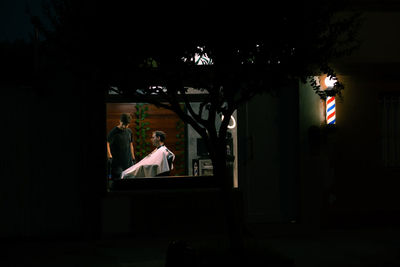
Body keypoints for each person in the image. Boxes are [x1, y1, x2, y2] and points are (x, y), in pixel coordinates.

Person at [107, 113, 136, 179]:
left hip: (128, 162)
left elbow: (131, 144)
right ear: (120, 121)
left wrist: (133, 157)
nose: (124, 126)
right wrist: (110, 156)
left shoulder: (129, 131)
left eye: (126, 125)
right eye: (123, 124)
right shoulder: (113, 132)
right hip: (117, 164)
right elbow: (107, 143)